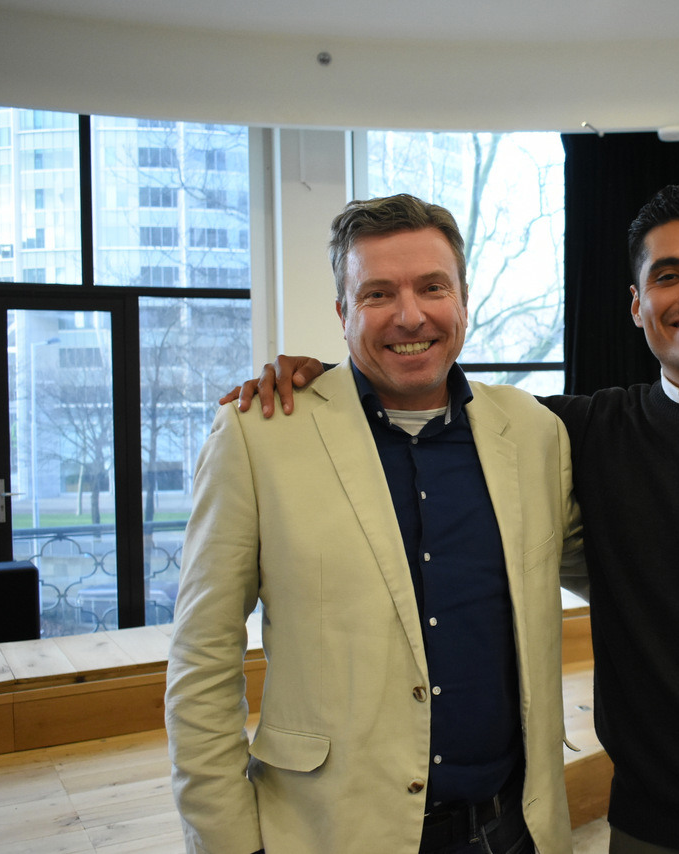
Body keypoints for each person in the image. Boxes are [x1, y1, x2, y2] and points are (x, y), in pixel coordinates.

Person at [228, 185, 679, 854]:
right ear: (636, 304)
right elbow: (423, 380)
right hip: (646, 829)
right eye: (667, 275)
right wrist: (326, 383)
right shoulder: (587, 432)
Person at [166, 194, 582, 854]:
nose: (410, 315)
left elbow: (615, 570)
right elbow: (202, 657)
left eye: (432, 287)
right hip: (331, 833)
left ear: (464, 300)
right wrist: (228, 841)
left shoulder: (534, 433)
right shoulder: (260, 435)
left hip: (512, 829)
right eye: (378, 293)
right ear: (342, 312)